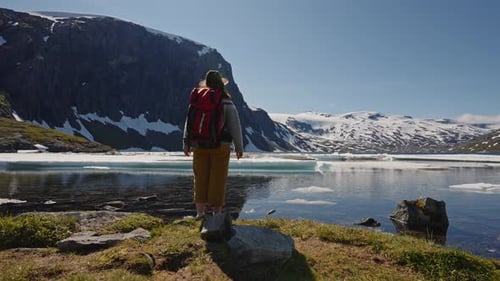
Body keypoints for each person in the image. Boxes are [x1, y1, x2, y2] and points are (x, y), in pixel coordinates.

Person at [183, 70, 244, 219]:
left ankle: (199, 213)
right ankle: (216, 213)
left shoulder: (197, 99)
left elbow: (188, 122)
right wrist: (239, 147)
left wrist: (186, 143)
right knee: (218, 178)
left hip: (199, 145)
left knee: (200, 177)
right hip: (221, 146)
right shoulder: (226, 101)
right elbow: (234, 126)